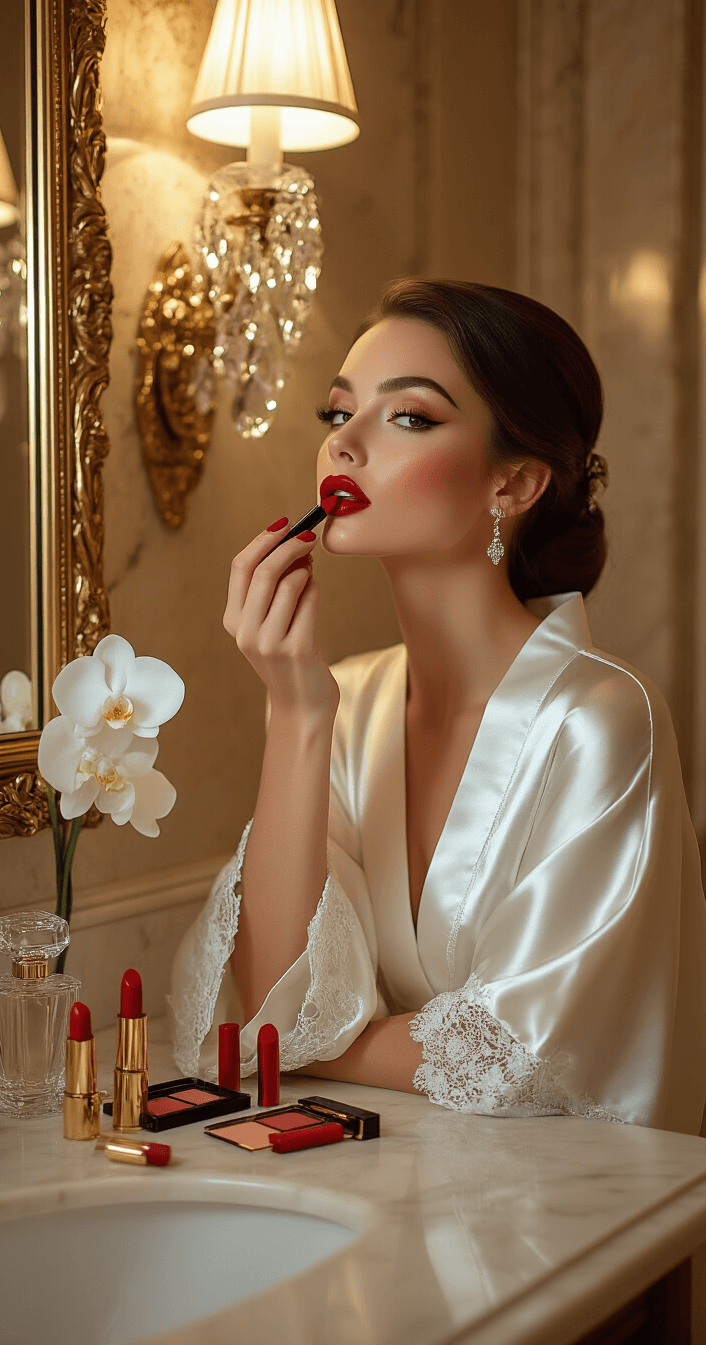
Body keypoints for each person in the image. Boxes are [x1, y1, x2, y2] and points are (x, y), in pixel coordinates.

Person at [170, 279, 706, 1133]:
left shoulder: (602, 721)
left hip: (566, 1202)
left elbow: (520, 1059)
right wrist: (299, 713)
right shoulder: (346, 702)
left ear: (514, 483)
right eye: (337, 411)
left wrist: (309, 1043)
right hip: (388, 1180)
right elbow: (271, 991)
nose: (344, 442)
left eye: (409, 417)